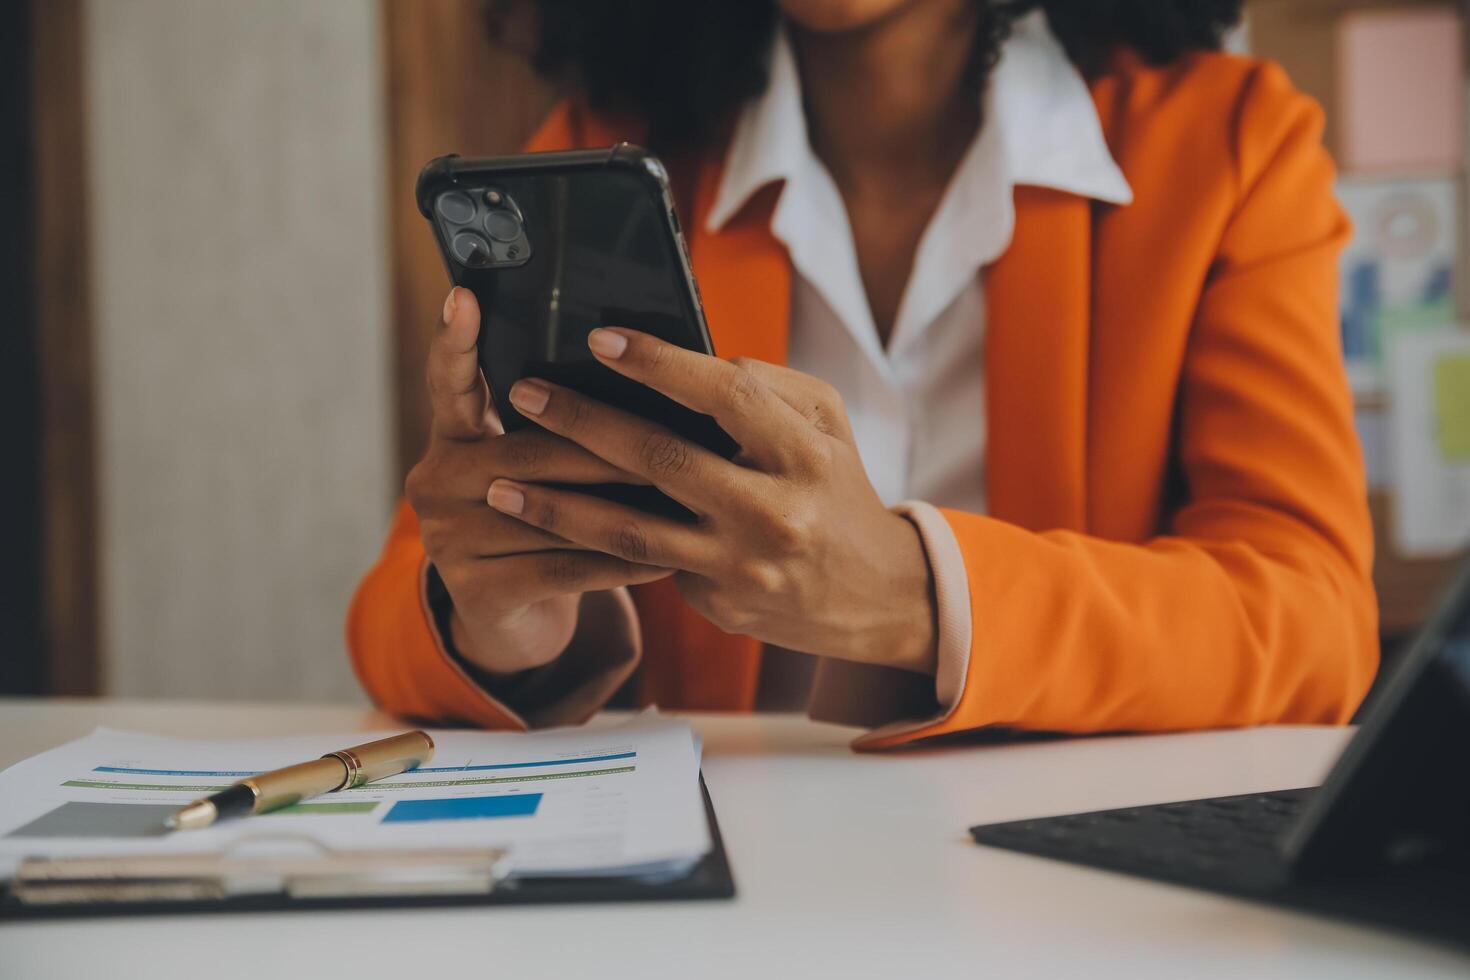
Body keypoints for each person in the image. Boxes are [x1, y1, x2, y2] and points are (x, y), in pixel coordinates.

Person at [348, 0, 1377, 749]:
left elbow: (1314, 616)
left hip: (1077, 892)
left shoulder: (1233, 143)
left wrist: (917, 594)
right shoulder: (610, 149)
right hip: (726, 900)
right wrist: (503, 617)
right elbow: (398, 613)